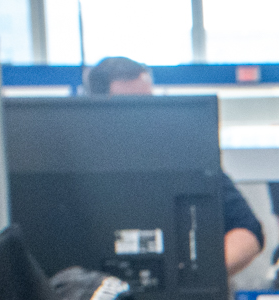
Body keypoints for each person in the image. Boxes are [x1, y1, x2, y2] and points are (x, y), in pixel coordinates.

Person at [85, 57, 264, 277]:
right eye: (130, 106)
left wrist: (201, 277)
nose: (143, 116)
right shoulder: (73, 161)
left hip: (173, 290)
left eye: (149, 104)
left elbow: (248, 230)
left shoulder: (182, 153)